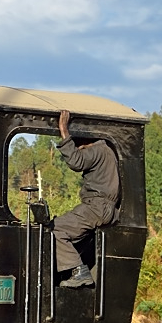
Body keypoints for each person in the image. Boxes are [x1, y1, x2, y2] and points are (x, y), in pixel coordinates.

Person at [53, 110, 119, 288]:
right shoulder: (107, 152)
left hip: (96, 206)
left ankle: (79, 271)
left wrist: (64, 132)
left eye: (76, 142)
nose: (77, 147)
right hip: (104, 208)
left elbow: (76, 162)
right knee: (71, 235)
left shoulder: (98, 150)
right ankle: (68, 271)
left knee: (55, 228)